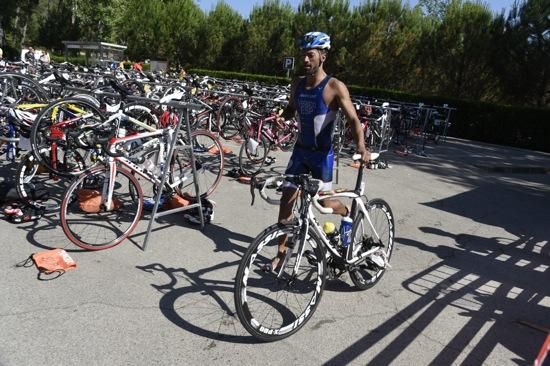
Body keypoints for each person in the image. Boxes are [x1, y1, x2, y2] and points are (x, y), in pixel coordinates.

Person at [268, 31, 370, 270]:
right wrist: (283, 118)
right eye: (303, 55)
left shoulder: (334, 87)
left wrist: (362, 147)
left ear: (322, 56)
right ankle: (282, 253)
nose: (305, 60)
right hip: (300, 152)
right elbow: (291, 109)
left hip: (322, 155)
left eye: (310, 55)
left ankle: (347, 214)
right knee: (287, 200)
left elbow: (354, 120)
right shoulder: (297, 84)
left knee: (324, 204)